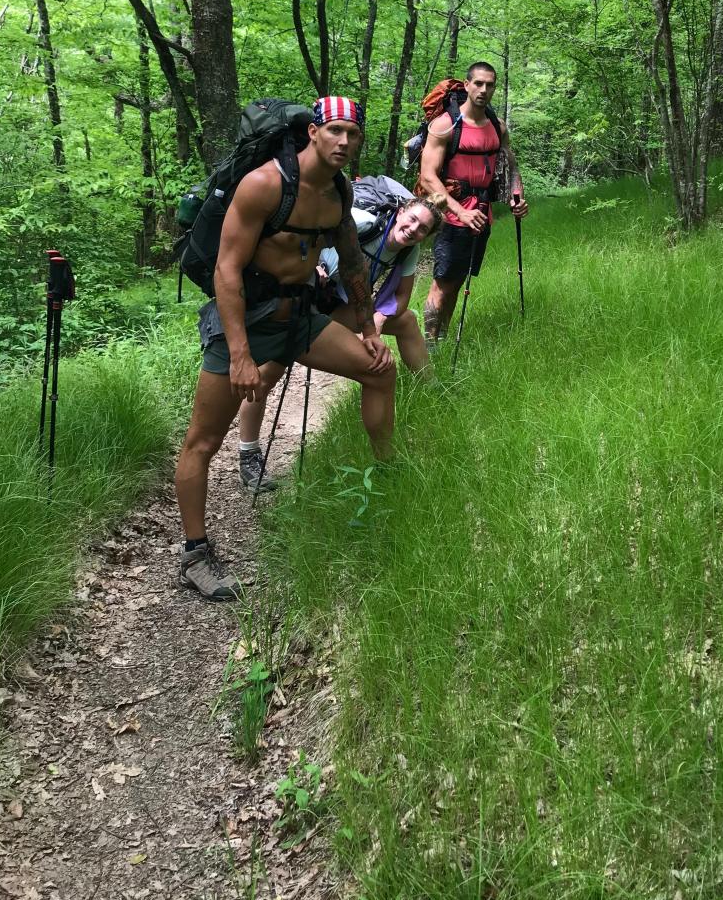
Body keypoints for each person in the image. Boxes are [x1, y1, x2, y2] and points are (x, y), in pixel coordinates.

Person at [175, 96, 396, 602]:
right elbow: (225, 271)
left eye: (353, 134)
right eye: (335, 131)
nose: (344, 141)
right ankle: (194, 554)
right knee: (203, 441)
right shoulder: (265, 185)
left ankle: (389, 474)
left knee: (380, 370)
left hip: (301, 317)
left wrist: (367, 328)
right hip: (250, 321)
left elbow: (355, 265)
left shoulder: (340, 193)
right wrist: (239, 355)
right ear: (313, 133)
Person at [237, 193, 444, 491]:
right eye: (412, 220)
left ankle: (433, 390)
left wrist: (380, 319)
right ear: (401, 213)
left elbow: (401, 299)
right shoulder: (363, 223)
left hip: (339, 306)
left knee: (407, 321)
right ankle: (249, 454)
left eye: (422, 229)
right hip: (303, 299)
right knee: (270, 371)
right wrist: (313, 264)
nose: (413, 229)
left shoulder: (407, 250)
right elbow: (302, 240)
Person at [418, 61, 528, 344]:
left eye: (490, 84)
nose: (484, 89)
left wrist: (516, 195)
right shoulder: (444, 126)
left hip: (481, 213)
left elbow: (509, 164)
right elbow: (428, 177)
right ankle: (428, 345)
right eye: (478, 83)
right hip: (451, 215)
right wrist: (460, 212)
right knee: (442, 282)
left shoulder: (497, 126)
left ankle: (439, 340)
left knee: (457, 282)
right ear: (466, 85)